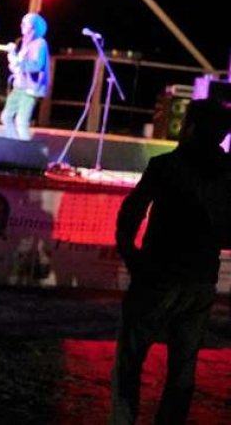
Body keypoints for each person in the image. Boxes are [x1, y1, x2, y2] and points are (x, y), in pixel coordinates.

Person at [110, 99, 231, 425]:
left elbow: (132, 210)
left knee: (129, 360)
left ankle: (123, 420)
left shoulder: (166, 166)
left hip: (157, 275)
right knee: (183, 367)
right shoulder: (227, 174)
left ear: (190, 127)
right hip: (200, 281)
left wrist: (129, 253)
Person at [0, 13, 50, 140]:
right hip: (19, 86)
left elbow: (37, 65)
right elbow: (18, 66)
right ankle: (14, 144)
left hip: (30, 88)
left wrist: (19, 63)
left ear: (34, 27)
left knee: (21, 122)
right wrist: (12, 56)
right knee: (6, 117)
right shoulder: (25, 43)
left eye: (25, 24)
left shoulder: (40, 43)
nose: (21, 26)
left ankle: (25, 150)